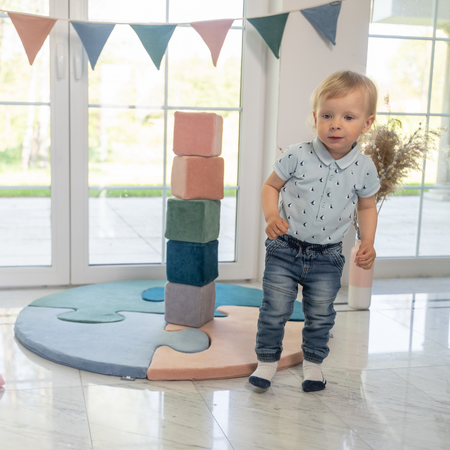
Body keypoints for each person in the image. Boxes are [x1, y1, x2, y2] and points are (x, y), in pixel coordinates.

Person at [249, 70, 380, 392]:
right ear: (315, 117)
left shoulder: (364, 168)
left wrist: (368, 241)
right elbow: (270, 186)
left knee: (321, 314)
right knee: (275, 309)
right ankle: (266, 361)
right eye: (327, 115)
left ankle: (314, 365)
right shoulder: (297, 154)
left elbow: (366, 206)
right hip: (285, 249)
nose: (336, 124)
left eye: (348, 117)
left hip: (328, 256)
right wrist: (270, 215)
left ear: (366, 124)